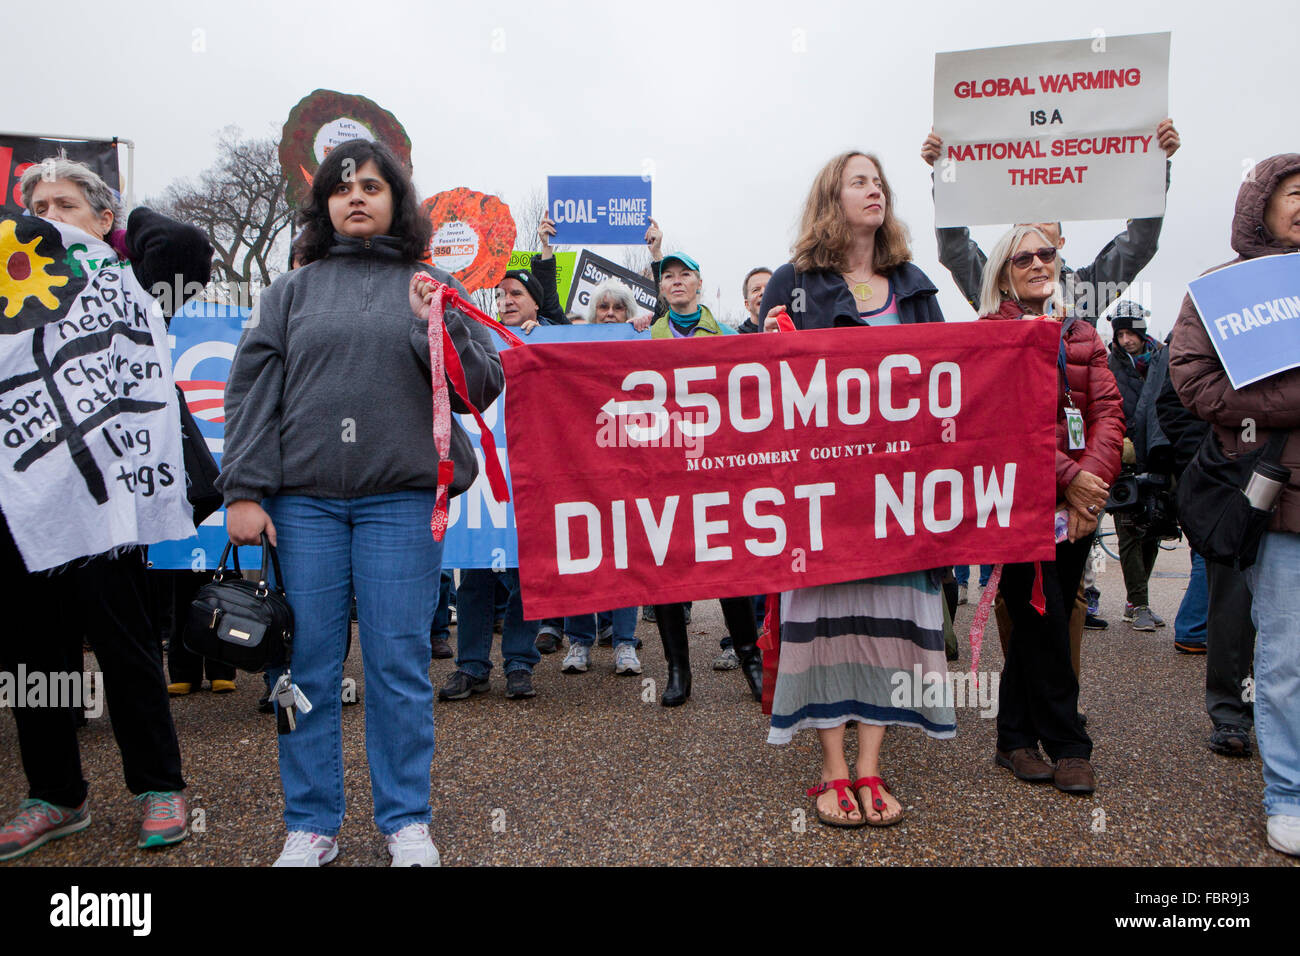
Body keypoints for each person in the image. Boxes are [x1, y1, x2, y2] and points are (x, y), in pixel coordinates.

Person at [218, 138, 504, 867]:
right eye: (342, 188)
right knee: (305, 668)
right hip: (303, 507)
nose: (355, 196)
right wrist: (244, 490)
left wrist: (427, 325)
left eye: (372, 186)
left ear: (395, 202)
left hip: (401, 505)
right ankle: (311, 823)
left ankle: (406, 820)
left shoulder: (431, 283)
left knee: (399, 664)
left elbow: (482, 387)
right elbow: (250, 396)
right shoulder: (289, 292)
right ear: (324, 207)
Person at [0, 158, 211, 861]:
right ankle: (55, 795)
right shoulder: (8, 290)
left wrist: (113, 234)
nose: (47, 218)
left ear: (103, 222)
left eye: (64, 205)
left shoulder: (128, 281)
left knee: (123, 646)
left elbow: (182, 245)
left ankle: (158, 785)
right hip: (29, 506)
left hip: (108, 504)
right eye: (35, 208)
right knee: (36, 654)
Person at [757, 151, 951, 827]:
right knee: (827, 630)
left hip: (901, 496)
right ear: (830, 198)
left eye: (880, 182)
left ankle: (871, 766)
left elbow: (947, 381)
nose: (875, 190)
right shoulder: (793, 281)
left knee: (889, 629)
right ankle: (833, 771)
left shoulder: (915, 285)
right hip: (821, 496)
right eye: (859, 181)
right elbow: (761, 391)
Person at [1169, 153, 1300, 857]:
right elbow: (1193, 382)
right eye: (1294, 193)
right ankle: (1289, 793)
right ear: (1262, 205)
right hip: (1273, 497)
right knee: (1283, 655)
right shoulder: (1226, 291)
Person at [977, 225, 1124, 796]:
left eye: (1048, 254)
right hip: (1015, 503)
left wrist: (1092, 482)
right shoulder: (990, 337)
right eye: (1024, 257)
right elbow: (1002, 428)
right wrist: (1073, 480)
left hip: (1079, 505)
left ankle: (1013, 739)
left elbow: (1108, 411)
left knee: (1050, 620)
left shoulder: (1083, 332)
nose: (1039, 263)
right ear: (1002, 271)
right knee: (1041, 618)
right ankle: (1069, 743)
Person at [1106, 301, 1168, 631]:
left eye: (1131, 332)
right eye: (1121, 333)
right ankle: (1139, 603)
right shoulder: (1108, 364)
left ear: (1143, 333)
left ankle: (1137, 600)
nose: (1126, 339)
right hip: (1123, 457)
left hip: (1155, 453)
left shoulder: (1161, 359)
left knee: (1153, 529)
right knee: (1129, 530)